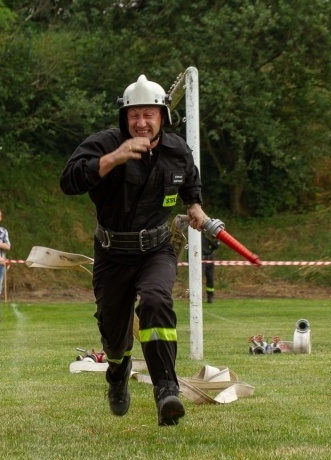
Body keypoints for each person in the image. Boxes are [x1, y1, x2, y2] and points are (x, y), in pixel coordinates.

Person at [60, 74, 205, 427]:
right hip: (112, 254)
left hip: (157, 249)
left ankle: (166, 390)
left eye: (148, 115)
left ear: (162, 117)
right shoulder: (104, 144)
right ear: (124, 117)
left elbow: (190, 178)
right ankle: (117, 372)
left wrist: (195, 206)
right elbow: (69, 181)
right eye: (134, 115)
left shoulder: (177, 150)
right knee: (114, 334)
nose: (141, 122)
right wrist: (113, 159)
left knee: (156, 301)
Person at [202, 232, 220, 304]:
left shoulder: (208, 235)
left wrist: (216, 240)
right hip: (200, 260)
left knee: (210, 279)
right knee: (198, 279)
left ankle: (210, 297)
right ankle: (196, 297)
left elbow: (215, 245)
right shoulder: (196, 235)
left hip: (210, 259)